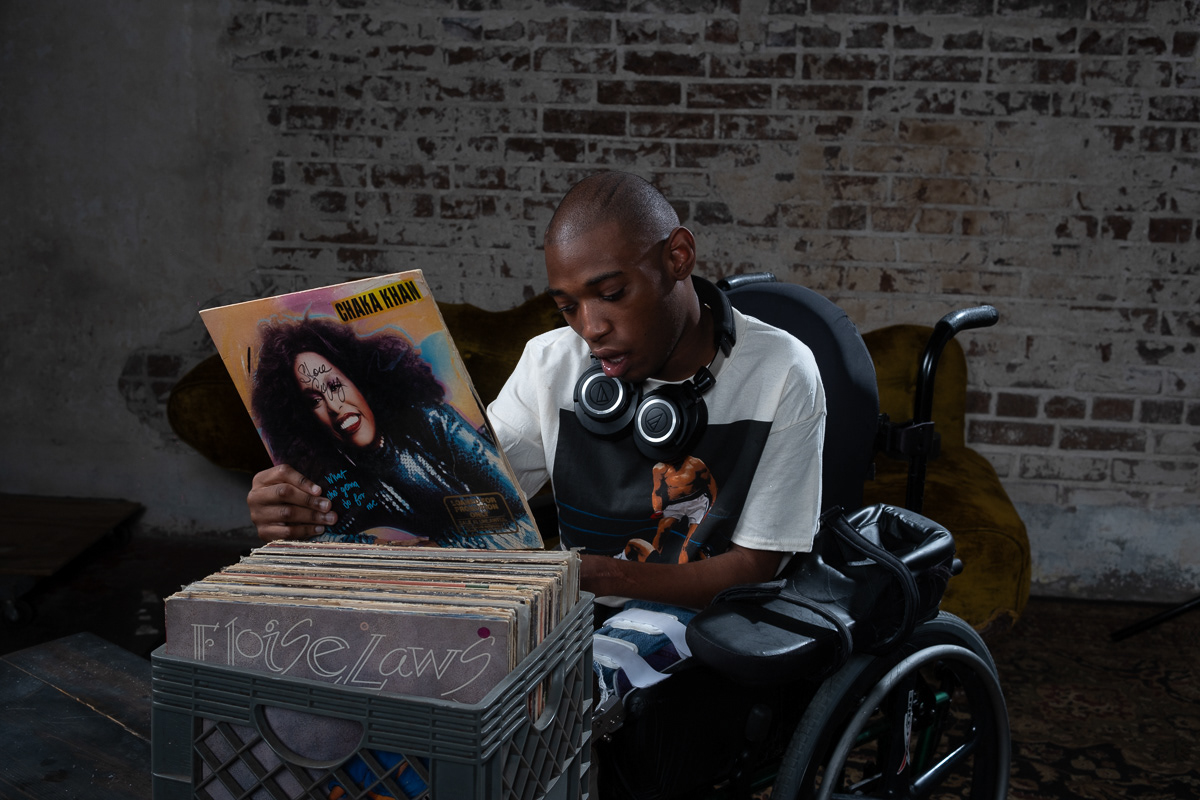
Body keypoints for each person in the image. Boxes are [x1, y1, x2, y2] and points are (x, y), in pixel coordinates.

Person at [247, 171, 825, 613]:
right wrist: (302, 514)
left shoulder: (783, 372)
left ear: (678, 257)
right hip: (571, 621)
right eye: (568, 306)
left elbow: (755, 567)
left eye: (612, 294)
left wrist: (598, 576)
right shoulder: (550, 363)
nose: (590, 328)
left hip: (711, 635)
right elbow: (475, 504)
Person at [248, 317, 535, 547]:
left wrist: (435, 549)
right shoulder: (337, 481)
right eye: (314, 401)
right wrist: (283, 525)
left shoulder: (432, 421)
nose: (334, 406)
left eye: (335, 385)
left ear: (359, 380)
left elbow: (522, 524)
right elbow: (317, 547)